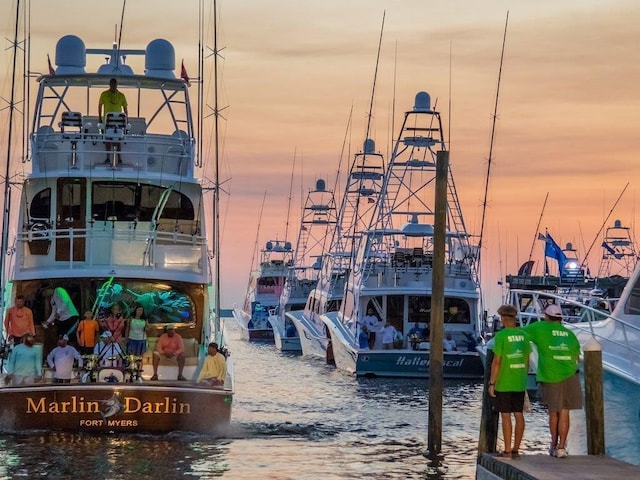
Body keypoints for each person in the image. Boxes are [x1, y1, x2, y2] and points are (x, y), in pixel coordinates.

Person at [523, 304, 582, 459]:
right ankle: (562, 447)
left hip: (551, 376)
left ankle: (553, 445)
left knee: (553, 412)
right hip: (571, 375)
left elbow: (520, 334)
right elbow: (576, 357)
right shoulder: (569, 334)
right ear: (560, 318)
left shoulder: (540, 327)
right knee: (565, 411)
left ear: (546, 316)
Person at [488, 304, 532, 460]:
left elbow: (497, 361)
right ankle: (515, 449)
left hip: (504, 381)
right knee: (519, 414)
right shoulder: (524, 336)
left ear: (502, 319)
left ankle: (507, 451)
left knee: (505, 416)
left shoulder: (501, 336)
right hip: (519, 381)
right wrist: (523, 377)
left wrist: (492, 383)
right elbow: (527, 360)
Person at [98, 78, 128, 163]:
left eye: (115, 84)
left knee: (118, 140)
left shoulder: (121, 95)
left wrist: (126, 120)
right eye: (112, 84)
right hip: (107, 122)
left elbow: (125, 109)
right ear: (109, 85)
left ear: (116, 85)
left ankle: (119, 158)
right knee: (107, 139)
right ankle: (108, 157)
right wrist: (100, 118)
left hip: (119, 123)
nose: (114, 86)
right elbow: (100, 106)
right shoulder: (104, 94)